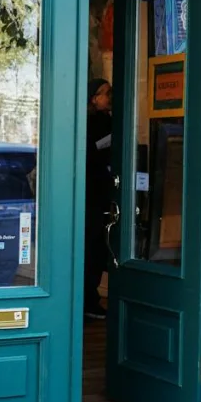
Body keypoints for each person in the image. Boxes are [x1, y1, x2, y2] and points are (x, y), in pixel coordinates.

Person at [85, 78, 115, 318]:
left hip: (104, 193)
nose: (110, 97)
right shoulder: (90, 122)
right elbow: (90, 153)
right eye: (106, 93)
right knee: (91, 248)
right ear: (94, 98)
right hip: (91, 194)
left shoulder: (109, 119)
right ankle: (87, 300)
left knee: (99, 248)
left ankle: (90, 298)